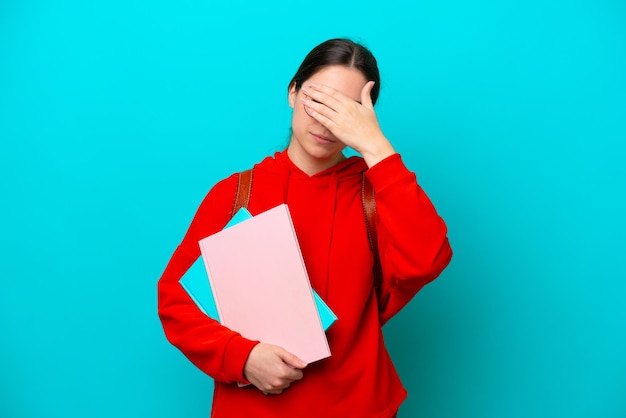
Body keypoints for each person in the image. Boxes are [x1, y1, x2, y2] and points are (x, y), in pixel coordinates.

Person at [158, 38, 452, 417]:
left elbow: (426, 260)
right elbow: (176, 301)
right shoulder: (235, 193)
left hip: (359, 406)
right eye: (319, 100)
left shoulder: (379, 196)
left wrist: (376, 148)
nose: (327, 122)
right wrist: (242, 357)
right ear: (293, 92)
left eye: (345, 110)